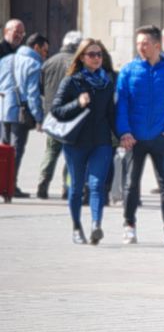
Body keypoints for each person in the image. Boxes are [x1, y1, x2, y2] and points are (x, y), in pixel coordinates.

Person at [116, 24, 164, 246]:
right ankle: (129, 226)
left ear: (157, 45)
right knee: (131, 184)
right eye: (138, 43)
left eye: (145, 43)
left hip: (161, 137)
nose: (140, 47)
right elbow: (121, 104)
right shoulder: (128, 71)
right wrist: (125, 131)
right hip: (134, 138)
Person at [51, 39, 115, 244]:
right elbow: (56, 110)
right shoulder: (72, 81)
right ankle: (77, 228)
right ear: (82, 57)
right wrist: (77, 104)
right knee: (77, 187)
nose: (96, 58)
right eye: (91, 54)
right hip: (75, 142)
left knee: (97, 185)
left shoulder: (107, 82)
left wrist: (124, 134)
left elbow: (112, 114)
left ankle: (96, 225)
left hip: (101, 142)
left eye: (99, 54)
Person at [0, 32, 50, 197]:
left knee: (4, 150)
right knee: (15, 151)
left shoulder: (6, 60)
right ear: (36, 48)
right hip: (19, 114)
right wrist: (39, 118)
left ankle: (4, 184)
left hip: (3, 111)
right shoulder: (33, 65)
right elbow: (32, 95)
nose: (45, 55)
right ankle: (10, 186)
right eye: (44, 51)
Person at [36, 30, 83, 199]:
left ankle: (43, 183)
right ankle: (67, 187)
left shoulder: (48, 63)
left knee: (51, 151)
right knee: (71, 153)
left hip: (52, 116)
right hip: (72, 116)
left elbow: (41, 89)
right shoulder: (78, 64)